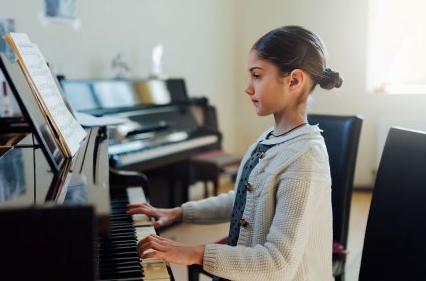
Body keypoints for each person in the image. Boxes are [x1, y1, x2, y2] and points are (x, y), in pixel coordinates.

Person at [127, 25, 342, 281]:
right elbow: (241, 201)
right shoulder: (268, 140)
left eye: (257, 76)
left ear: (294, 80)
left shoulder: (305, 157)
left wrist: (195, 253)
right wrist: (179, 212)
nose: (248, 88)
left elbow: (278, 264)